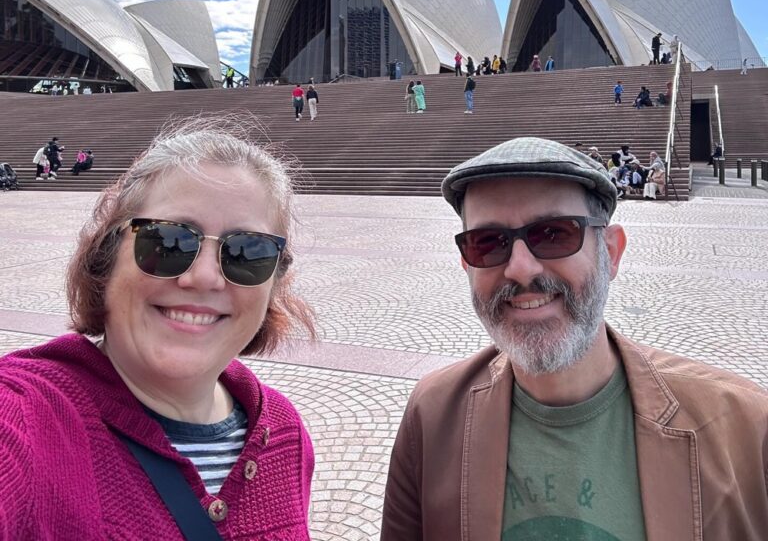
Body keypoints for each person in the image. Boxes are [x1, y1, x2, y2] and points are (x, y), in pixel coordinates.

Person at [381, 137, 768, 540]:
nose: (520, 268)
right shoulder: (433, 417)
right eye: (488, 243)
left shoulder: (744, 430)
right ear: (466, 264)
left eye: (553, 234)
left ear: (612, 253)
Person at [0, 117, 316, 538]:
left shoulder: (283, 432)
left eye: (247, 252)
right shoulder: (26, 418)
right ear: (107, 259)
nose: (203, 278)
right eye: (168, 241)